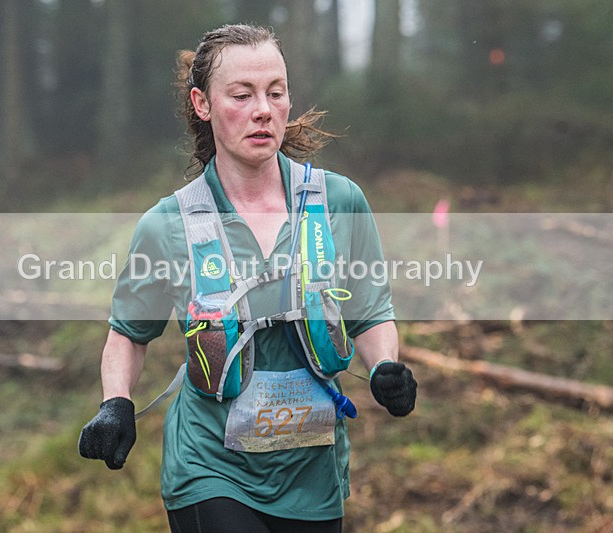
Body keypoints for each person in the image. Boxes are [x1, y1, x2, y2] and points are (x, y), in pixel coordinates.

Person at [78, 24, 418, 533]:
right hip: (209, 467)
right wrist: (116, 404)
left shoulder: (340, 202)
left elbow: (370, 314)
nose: (263, 109)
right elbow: (129, 333)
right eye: (242, 94)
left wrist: (384, 368)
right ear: (203, 104)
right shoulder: (168, 225)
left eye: (275, 93)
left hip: (312, 475)